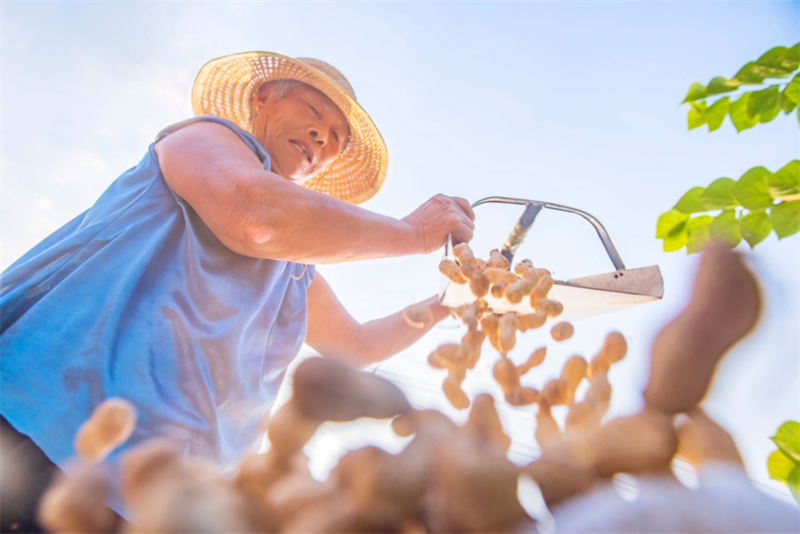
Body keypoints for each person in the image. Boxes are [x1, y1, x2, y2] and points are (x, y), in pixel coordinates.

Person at [0, 51, 475, 530]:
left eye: (335, 137)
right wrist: (412, 234)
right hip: (41, 423)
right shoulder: (205, 138)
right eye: (314, 113)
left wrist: (444, 307)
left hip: (160, 499)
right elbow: (253, 214)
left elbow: (354, 344)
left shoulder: (295, 265)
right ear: (263, 99)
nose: (321, 136)